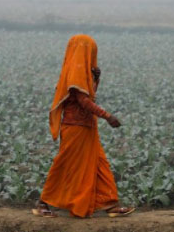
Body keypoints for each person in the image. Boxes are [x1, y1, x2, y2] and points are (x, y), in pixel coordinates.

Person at [32, 34, 135, 219]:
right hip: (74, 127)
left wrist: (96, 80)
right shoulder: (75, 71)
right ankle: (43, 203)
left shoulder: (83, 72)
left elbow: (89, 94)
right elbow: (83, 100)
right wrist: (107, 116)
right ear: (84, 52)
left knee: (99, 163)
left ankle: (110, 204)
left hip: (87, 127)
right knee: (65, 164)